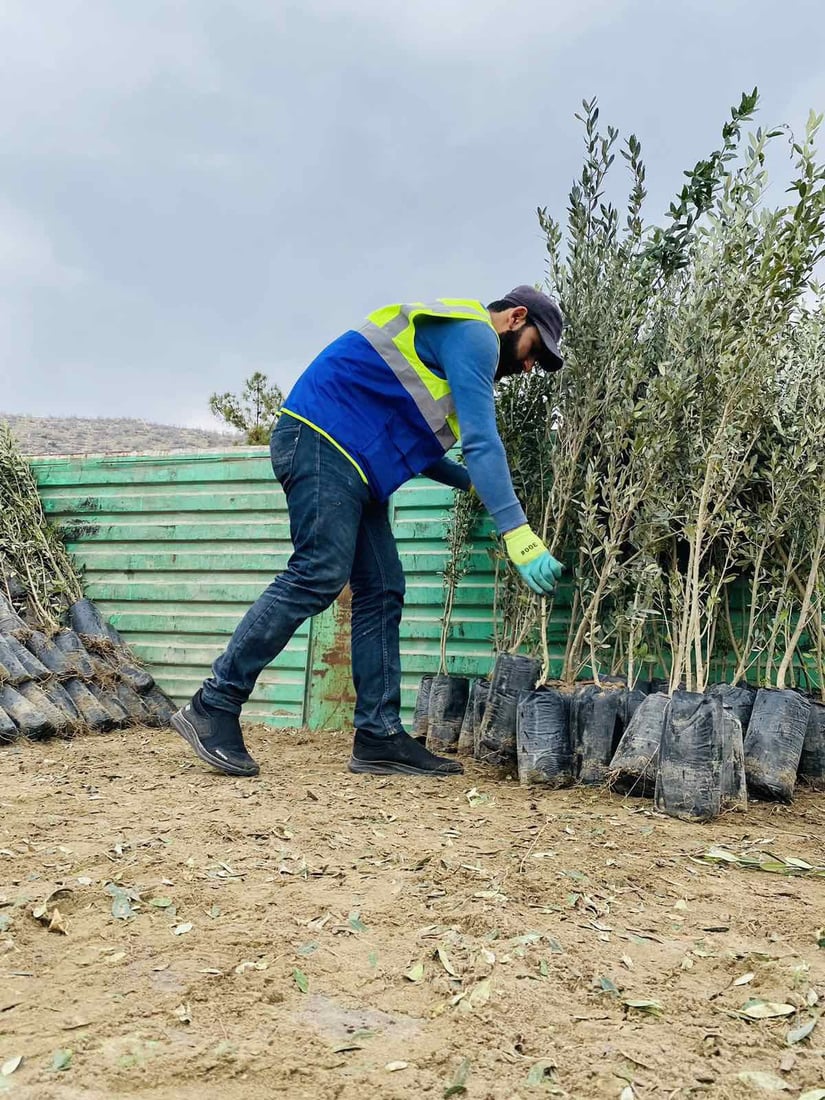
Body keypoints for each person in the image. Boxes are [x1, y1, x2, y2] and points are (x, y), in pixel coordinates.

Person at [172, 286, 565, 779]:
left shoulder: (455, 348)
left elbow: (421, 447)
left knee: (381, 587)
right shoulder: (476, 335)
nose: (531, 367)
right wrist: (519, 534)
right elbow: (484, 444)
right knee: (319, 572)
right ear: (516, 318)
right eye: (536, 350)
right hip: (322, 441)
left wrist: (468, 483)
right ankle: (213, 705)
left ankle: (378, 737)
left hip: (352, 461)